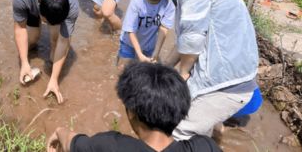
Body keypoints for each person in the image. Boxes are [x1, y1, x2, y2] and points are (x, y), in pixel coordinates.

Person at [146, 0, 259, 140]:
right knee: (205, 127)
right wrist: (165, 67)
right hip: (240, 70)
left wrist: (182, 72)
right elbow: (185, 40)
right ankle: (215, 139)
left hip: (226, 81)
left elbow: (191, 40)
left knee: (178, 130)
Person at [47, 62, 222, 152]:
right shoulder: (205, 147)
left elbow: (74, 142)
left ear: (131, 112)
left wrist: (58, 132)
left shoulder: (111, 146)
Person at [12, 0, 78, 104]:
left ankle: (52, 70)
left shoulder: (72, 7)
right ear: (40, 13)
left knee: (55, 46)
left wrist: (54, 79)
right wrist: (24, 63)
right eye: (46, 21)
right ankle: (29, 54)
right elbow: (20, 29)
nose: (48, 24)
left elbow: (64, 41)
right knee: (32, 39)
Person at [117, 0, 175, 67]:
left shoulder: (169, 3)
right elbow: (130, 30)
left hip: (150, 45)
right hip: (129, 42)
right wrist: (139, 54)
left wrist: (156, 53)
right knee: (123, 70)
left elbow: (164, 28)